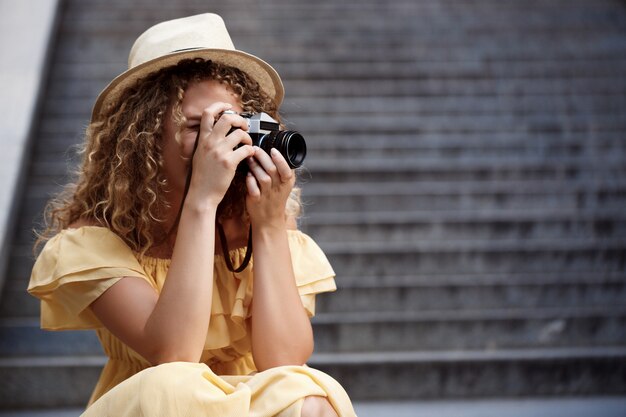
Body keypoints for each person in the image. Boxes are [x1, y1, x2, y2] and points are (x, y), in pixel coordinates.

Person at [28, 13, 356, 417]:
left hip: (243, 401)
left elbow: (285, 360)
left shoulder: (257, 220)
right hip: (153, 404)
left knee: (310, 396)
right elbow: (174, 355)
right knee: (173, 385)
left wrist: (269, 226)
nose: (216, 142)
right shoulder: (91, 239)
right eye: (197, 126)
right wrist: (202, 202)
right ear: (143, 139)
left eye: (228, 124)